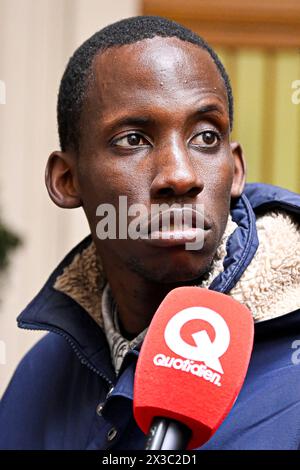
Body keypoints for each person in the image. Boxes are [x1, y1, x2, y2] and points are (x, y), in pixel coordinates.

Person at [0, 15, 300, 450]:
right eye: (133, 139)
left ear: (234, 171)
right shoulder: (40, 377)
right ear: (68, 180)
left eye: (205, 136)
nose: (180, 175)